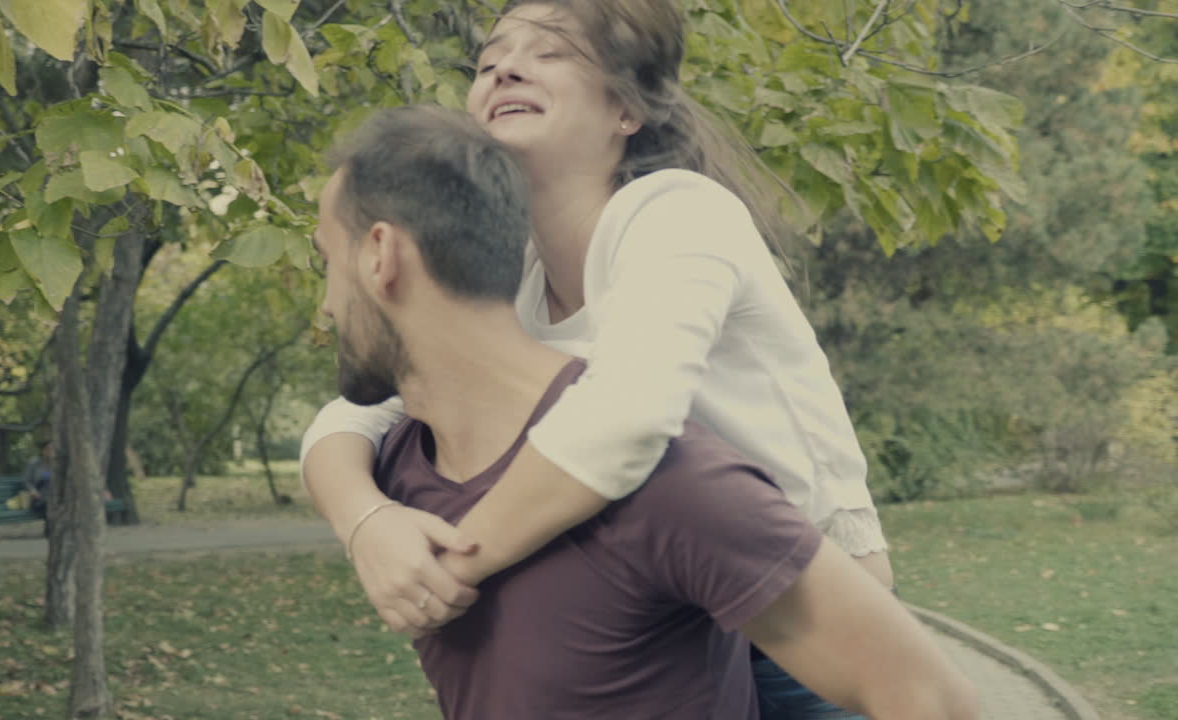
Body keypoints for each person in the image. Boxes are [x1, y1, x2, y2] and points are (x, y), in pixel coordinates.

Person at [303, 2, 893, 715]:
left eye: (550, 53)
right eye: (488, 61)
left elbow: (627, 419)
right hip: (672, 611)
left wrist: (450, 571)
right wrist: (368, 524)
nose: (505, 68)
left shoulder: (677, 215)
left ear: (626, 110)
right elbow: (355, 417)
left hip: (793, 629)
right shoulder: (513, 276)